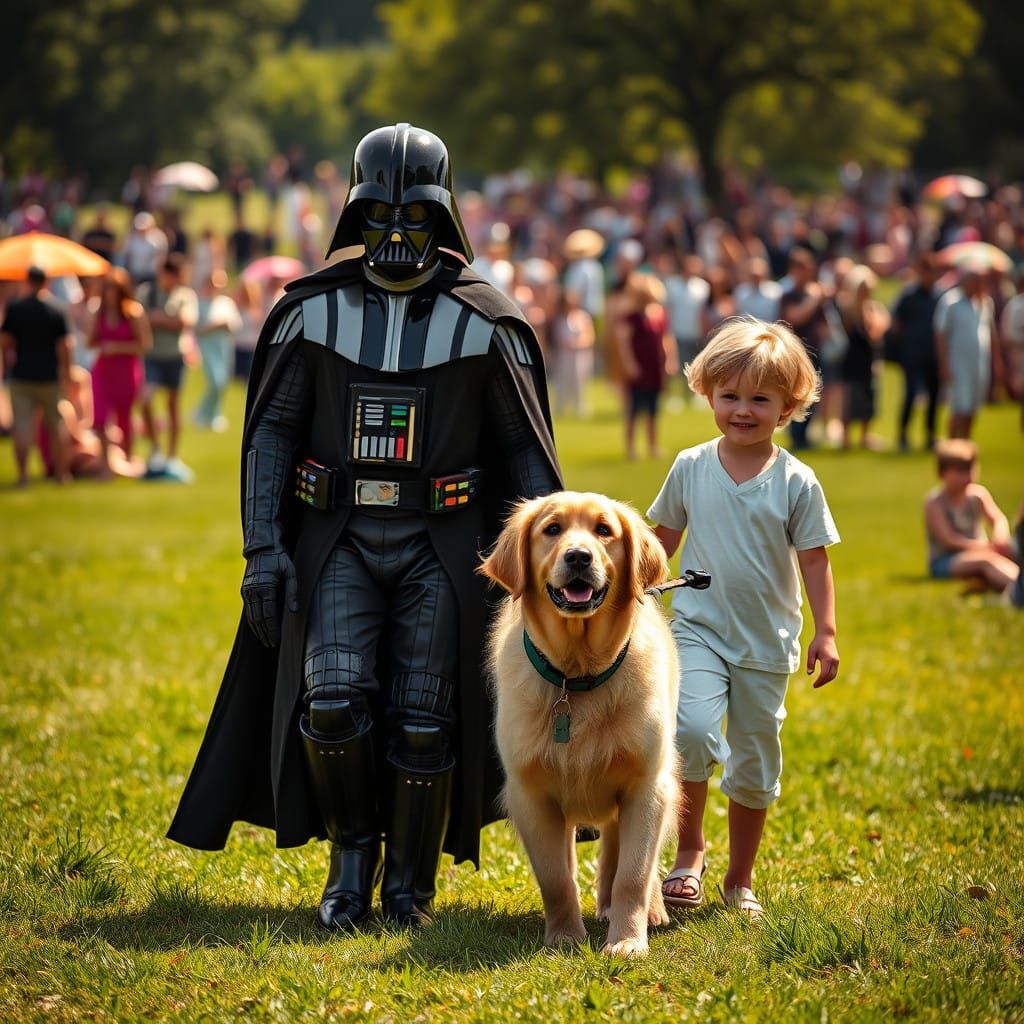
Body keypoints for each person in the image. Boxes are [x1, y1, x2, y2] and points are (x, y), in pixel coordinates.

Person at [167, 124, 562, 933]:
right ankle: (351, 863)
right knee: (333, 704)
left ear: (443, 218)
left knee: (425, 718)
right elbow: (272, 433)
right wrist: (263, 548)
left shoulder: (486, 322)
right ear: (353, 215)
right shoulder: (309, 314)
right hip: (337, 538)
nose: (396, 235)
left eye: (414, 218)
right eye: (379, 215)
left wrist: (556, 558)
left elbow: (524, 449)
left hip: (443, 543)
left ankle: (410, 884)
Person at [647, 317, 840, 920]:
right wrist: (629, 586)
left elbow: (815, 560)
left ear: (788, 407)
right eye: (729, 395)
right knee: (689, 731)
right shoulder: (690, 465)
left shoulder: (796, 482)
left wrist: (827, 631)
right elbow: (661, 541)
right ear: (707, 394)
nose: (742, 410)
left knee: (754, 763)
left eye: (760, 399)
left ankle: (740, 878)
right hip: (698, 629)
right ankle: (689, 853)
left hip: (765, 643)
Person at [0, 266, 73, 485]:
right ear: (46, 282)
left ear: (27, 281)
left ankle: (23, 476)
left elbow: (5, 341)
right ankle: (62, 474)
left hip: (22, 376)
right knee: (56, 426)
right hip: (50, 377)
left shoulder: (16, 308)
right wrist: (66, 374)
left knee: (22, 427)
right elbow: (65, 346)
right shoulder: (56, 309)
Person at [924, 439, 1018, 596]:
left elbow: (998, 518)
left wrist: (999, 537)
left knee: (1014, 549)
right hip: (947, 560)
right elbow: (948, 539)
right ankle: (1018, 590)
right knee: (986, 561)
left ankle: (1005, 583)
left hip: (982, 551)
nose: (967, 476)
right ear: (942, 473)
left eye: (970, 469)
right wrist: (983, 547)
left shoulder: (977, 495)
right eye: (960, 471)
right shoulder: (935, 502)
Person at [87, 267, 151, 477]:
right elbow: (90, 341)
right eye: (107, 289)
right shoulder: (99, 312)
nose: (110, 293)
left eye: (113, 289)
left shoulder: (133, 311)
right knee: (100, 417)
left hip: (126, 371)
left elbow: (144, 344)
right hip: (103, 371)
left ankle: (127, 459)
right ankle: (105, 464)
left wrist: (117, 347)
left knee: (124, 418)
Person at [138, 254, 198, 475]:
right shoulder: (146, 292)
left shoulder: (185, 295)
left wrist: (156, 318)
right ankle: (155, 448)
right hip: (152, 356)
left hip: (175, 356)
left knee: (173, 406)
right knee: (145, 400)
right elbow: (139, 320)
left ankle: (172, 456)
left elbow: (185, 322)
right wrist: (166, 320)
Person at [616, 271, 676, 460]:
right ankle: (631, 448)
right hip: (639, 367)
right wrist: (630, 364)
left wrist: (670, 360)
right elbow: (623, 343)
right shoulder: (631, 317)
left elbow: (667, 339)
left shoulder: (659, 314)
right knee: (634, 410)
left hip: (654, 366)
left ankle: (653, 446)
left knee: (653, 410)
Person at [934, 270, 1000, 441]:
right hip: (958, 363)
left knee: (973, 406)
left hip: (979, 363)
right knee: (959, 407)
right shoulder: (950, 301)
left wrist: (997, 362)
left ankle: (965, 442)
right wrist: (944, 363)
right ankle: (952, 444)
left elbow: (991, 334)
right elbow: (940, 333)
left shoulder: (985, 302)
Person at [780, 247, 831, 450]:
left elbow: (825, 325)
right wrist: (815, 299)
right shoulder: (789, 295)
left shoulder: (815, 295)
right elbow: (795, 317)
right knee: (795, 395)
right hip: (796, 354)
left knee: (813, 396)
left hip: (816, 352)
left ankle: (804, 436)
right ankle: (796, 437)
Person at [890, 253, 941, 451]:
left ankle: (930, 435)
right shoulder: (908, 295)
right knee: (911, 394)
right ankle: (903, 435)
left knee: (934, 396)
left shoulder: (940, 296)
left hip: (933, 355)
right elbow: (896, 323)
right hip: (911, 355)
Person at [837, 265, 889, 449]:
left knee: (869, 398)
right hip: (851, 360)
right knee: (850, 400)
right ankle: (845, 437)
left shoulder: (874, 309)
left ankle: (865, 436)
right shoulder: (847, 308)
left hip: (869, 360)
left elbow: (877, 333)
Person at [192, 269, 241, 431]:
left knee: (223, 381)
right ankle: (202, 412)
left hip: (224, 344)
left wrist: (221, 325)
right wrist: (214, 326)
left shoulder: (226, 302)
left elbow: (234, 324)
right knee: (215, 380)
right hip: (207, 345)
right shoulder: (198, 304)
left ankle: (213, 415)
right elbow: (195, 328)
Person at [550, 286, 595, 418]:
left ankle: (579, 407)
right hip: (562, 354)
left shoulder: (583, 317)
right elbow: (553, 337)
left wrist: (577, 343)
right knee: (561, 381)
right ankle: (560, 407)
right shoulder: (558, 319)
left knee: (579, 381)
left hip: (580, 354)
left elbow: (590, 336)